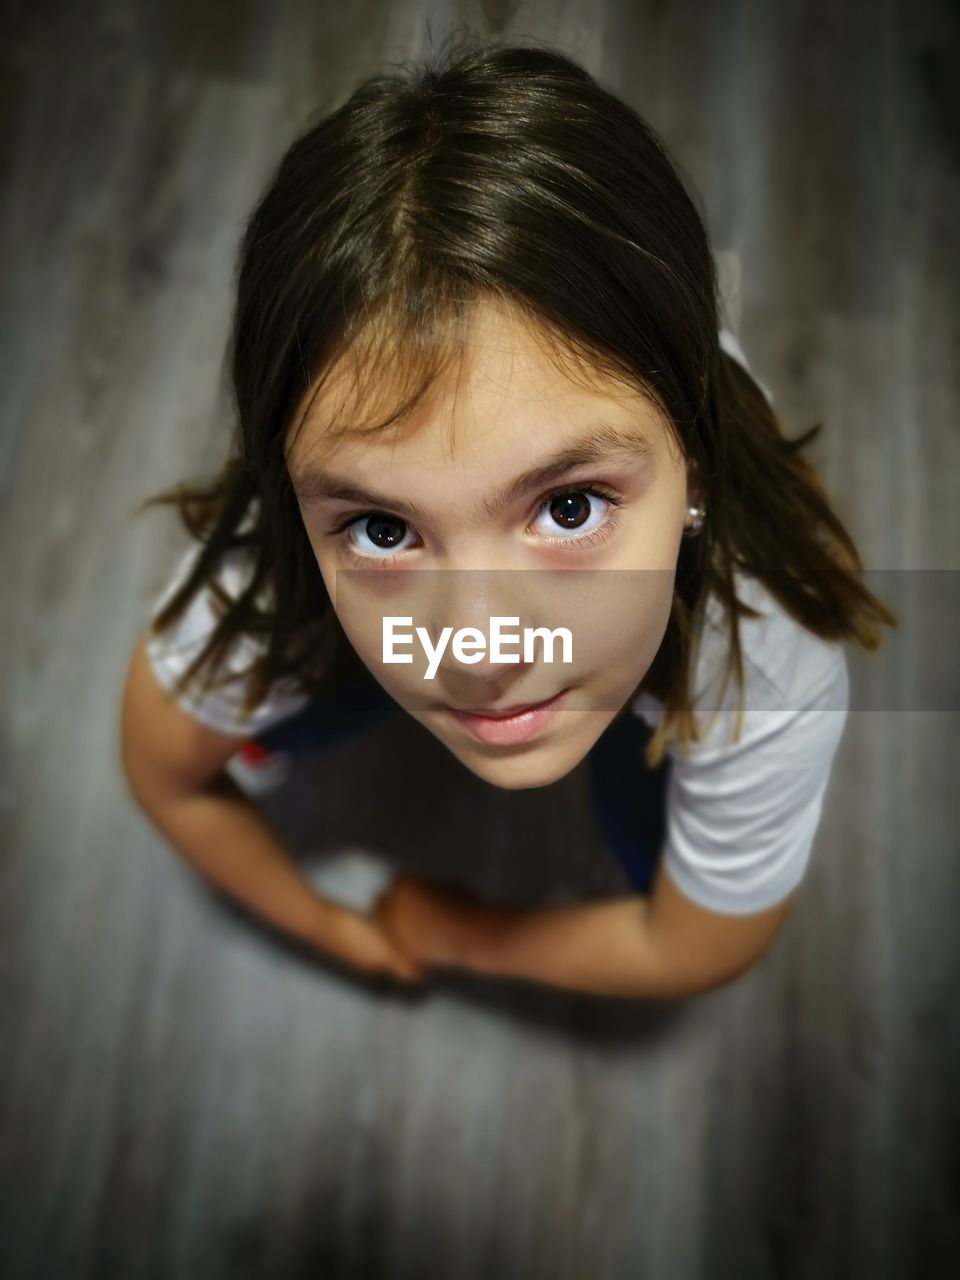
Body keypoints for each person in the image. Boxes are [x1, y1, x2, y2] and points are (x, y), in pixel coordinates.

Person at [119, 37, 896, 999]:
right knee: (306, 650)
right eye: (382, 527)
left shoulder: (767, 648)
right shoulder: (265, 568)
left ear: (695, 458)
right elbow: (162, 768)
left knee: (646, 803)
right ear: (290, 491)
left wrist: (459, 931)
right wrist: (332, 928)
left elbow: (697, 944)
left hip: (681, 658)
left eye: (568, 508)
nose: (480, 650)